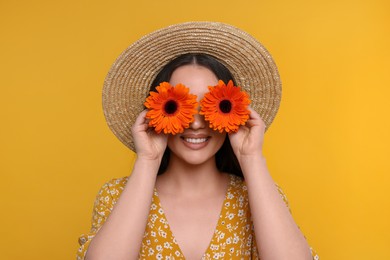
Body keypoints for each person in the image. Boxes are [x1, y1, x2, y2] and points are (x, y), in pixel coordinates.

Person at [77, 22, 319, 260]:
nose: (195, 123)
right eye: (178, 106)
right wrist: (147, 159)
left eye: (210, 106)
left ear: (235, 112)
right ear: (154, 113)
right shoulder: (116, 195)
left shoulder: (260, 195)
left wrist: (251, 157)